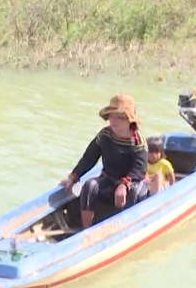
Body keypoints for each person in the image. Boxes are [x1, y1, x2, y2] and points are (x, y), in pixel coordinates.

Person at [61, 93, 148, 229]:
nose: (113, 121)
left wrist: (124, 185)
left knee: (135, 193)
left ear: (129, 120)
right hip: (109, 178)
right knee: (90, 186)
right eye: (112, 116)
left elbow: (139, 169)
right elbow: (89, 157)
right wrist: (74, 176)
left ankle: (126, 228)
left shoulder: (138, 141)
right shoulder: (105, 135)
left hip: (132, 182)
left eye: (119, 117)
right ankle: (86, 230)